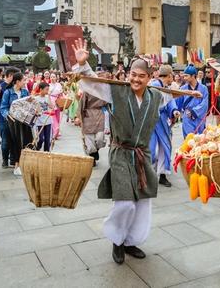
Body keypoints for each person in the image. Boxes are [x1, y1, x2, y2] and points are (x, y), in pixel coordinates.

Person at [71, 38, 172, 265]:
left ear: (150, 78)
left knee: (143, 202)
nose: (135, 79)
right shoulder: (115, 92)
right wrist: (83, 65)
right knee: (125, 201)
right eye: (133, 74)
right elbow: (92, 84)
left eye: (141, 76)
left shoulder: (156, 96)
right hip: (120, 153)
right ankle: (117, 240)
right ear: (128, 74)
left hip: (142, 154)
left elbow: (174, 94)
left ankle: (131, 241)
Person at [148, 65, 181, 187]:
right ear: (169, 76)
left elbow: (170, 101)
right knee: (151, 149)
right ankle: (148, 174)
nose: (172, 77)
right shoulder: (155, 85)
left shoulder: (165, 87)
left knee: (165, 147)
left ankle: (162, 175)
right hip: (152, 120)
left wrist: (174, 111)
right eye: (172, 75)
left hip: (162, 120)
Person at [0, 72, 32, 176]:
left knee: (26, 142)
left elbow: (28, 105)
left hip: (24, 121)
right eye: (24, 80)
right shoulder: (8, 92)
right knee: (15, 143)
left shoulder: (25, 92)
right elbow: (3, 107)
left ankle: (24, 163)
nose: (25, 82)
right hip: (13, 122)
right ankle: (16, 165)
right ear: (17, 82)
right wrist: (7, 115)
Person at [176, 64, 209, 136]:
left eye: (186, 76)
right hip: (187, 117)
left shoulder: (203, 88)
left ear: (193, 76)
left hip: (199, 117)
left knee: (200, 141)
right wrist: (176, 112)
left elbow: (205, 104)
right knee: (189, 140)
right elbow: (178, 103)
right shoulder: (182, 89)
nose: (184, 78)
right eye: (184, 76)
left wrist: (194, 112)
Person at [0, 67, 18, 168]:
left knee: (15, 140)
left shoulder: (20, 88)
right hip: (4, 118)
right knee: (5, 141)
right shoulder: (2, 86)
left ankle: (13, 160)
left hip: (17, 119)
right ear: (10, 76)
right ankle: (5, 160)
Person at [34, 82, 54, 152]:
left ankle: (46, 153)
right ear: (41, 89)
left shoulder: (47, 97)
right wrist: (37, 112)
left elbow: (51, 106)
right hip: (39, 122)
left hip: (48, 121)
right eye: (46, 89)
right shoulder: (36, 98)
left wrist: (49, 97)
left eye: (48, 89)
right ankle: (37, 148)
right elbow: (35, 110)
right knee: (41, 139)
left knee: (47, 139)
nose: (47, 91)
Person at [48, 73, 63, 139]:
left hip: (58, 100)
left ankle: (57, 131)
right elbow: (48, 94)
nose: (52, 78)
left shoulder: (59, 84)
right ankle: (55, 132)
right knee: (53, 117)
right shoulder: (48, 85)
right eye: (51, 77)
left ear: (56, 78)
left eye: (54, 77)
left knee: (58, 117)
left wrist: (60, 92)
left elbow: (61, 92)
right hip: (51, 100)